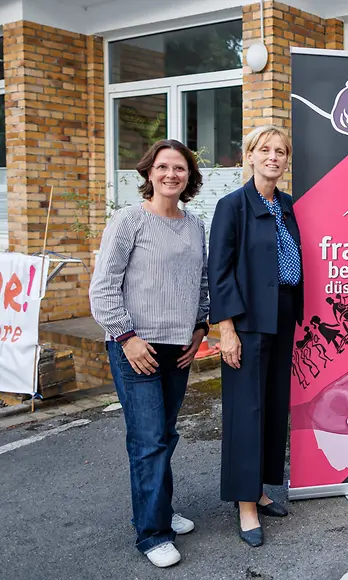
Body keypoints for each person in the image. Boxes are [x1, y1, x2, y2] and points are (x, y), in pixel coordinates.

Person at [90, 139, 209, 568]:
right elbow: (102, 288)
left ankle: (158, 509)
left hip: (178, 347)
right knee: (148, 441)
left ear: (189, 177)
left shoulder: (195, 225)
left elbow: (200, 283)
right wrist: (126, 337)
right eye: (163, 167)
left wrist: (200, 328)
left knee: (166, 435)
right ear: (149, 173)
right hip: (136, 347)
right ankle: (152, 533)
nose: (171, 174)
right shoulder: (129, 222)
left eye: (179, 168)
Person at [208, 125, 303, 548]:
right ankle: (245, 504)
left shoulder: (286, 204)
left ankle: (261, 489)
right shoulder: (232, 206)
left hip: (282, 315)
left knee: (271, 407)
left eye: (280, 151)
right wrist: (226, 329)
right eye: (265, 150)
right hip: (246, 322)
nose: (273, 157)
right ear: (250, 155)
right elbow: (219, 272)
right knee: (245, 412)